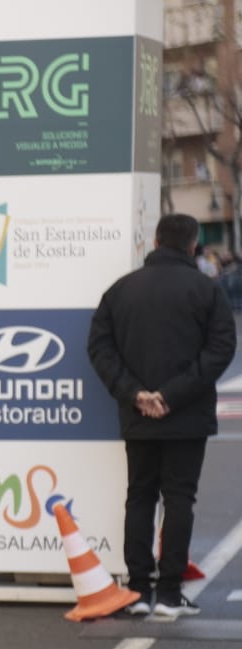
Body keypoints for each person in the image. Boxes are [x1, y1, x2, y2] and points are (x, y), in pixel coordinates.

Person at [88, 213, 237, 620]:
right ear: (193, 246)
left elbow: (99, 348)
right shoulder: (206, 291)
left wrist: (134, 393)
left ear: (155, 242)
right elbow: (221, 349)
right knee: (179, 499)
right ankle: (170, 593)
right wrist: (172, 395)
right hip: (186, 414)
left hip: (137, 413)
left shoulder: (121, 290)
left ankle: (137, 590)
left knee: (139, 496)